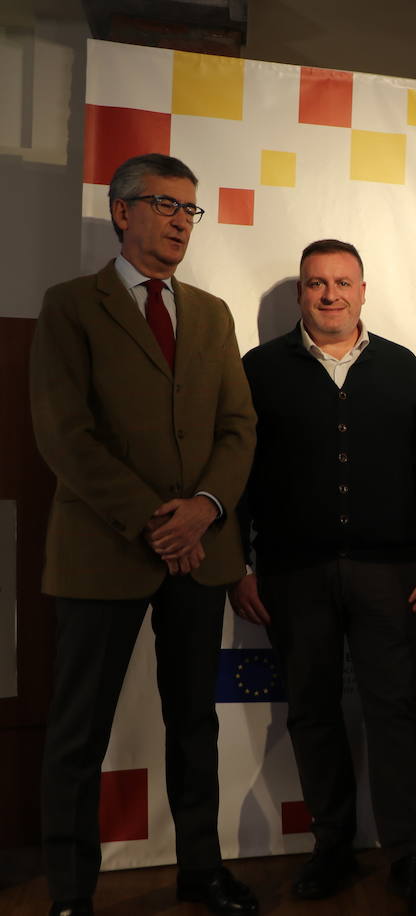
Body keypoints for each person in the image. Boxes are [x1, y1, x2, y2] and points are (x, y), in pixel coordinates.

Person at [30, 153, 258, 916]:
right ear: (120, 211)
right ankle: (70, 895)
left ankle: (202, 870)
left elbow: (238, 427)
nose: (178, 221)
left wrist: (204, 508)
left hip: (203, 550)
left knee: (194, 723)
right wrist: (159, 522)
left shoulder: (213, 312)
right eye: (163, 204)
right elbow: (66, 435)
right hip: (103, 551)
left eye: (190, 209)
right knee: (77, 734)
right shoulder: (69, 305)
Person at [228, 239, 416, 912]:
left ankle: (410, 855)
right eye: (316, 283)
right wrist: (238, 563)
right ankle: (332, 846)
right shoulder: (259, 370)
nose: (330, 294)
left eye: (342, 283)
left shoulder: (403, 367)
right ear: (301, 293)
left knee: (393, 713)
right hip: (293, 572)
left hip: (390, 571)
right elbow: (236, 474)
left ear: (363, 290)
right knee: (312, 712)